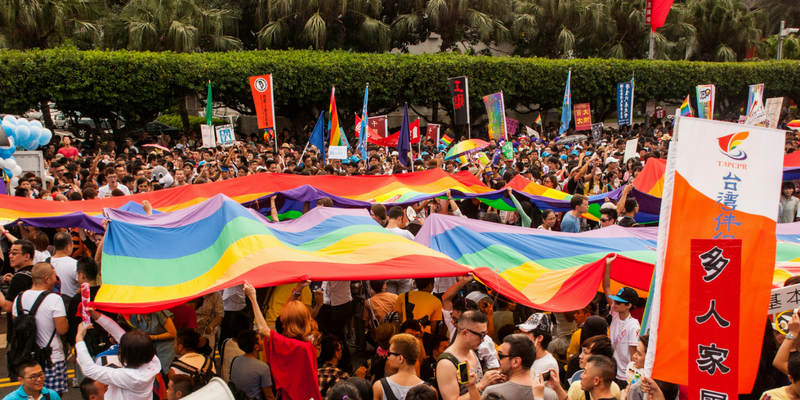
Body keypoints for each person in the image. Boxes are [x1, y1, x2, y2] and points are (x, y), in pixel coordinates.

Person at [243, 282, 321, 400]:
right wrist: (298, 290)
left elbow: (264, 330)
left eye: (284, 322)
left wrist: (253, 298)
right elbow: (293, 314)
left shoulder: (294, 345)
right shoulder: (306, 344)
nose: (282, 325)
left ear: (290, 324)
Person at [76, 308, 162, 400]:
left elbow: (89, 369)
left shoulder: (132, 377)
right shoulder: (151, 360)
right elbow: (119, 333)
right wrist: (96, 315)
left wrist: (79, 338)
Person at [11, 263, 69, 395]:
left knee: (32, 396)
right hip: (51, 357)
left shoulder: (18, 298)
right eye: (54, 276)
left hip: (27, 359)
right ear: (47, 279)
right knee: (52, 396)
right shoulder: (54, 299)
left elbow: (17, 326)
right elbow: (62, 329)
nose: (56, 280)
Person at [436, 311, 503, 400]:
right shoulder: (446, 363)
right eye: (481, 335)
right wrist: (481, 385)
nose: (483, 340)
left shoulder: (472, 351)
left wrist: (491, 381)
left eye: (485, 335)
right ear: (465, 333)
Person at [482, 334, 558, 400]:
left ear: (516, 362)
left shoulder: (492, 393)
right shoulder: (550, 395)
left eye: (501, 355)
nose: (498, 359)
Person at [603, 255, 641, 386]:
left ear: (629, 305)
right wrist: (608, 265)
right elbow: (606, 287)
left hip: (625, 377)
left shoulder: (633, 325)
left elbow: (633, 356)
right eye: (615, 300)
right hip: (612, 370)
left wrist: (632, 381)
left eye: (619, 302)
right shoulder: (615, 312)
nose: (615, 303)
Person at [372, 333, 424, 400]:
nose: (388, 357)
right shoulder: (430, 390)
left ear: (400, 358)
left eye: (390, 353)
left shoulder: (379, 387)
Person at [229, 329, 276, 400]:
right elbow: (269, 396)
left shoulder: (235, 360)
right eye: (260, 340)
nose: (262, 342)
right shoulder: (263, 367)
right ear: (256, 347)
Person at [517, 313, 558, 377]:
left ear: (539, 338)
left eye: (526, 333)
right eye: (521, 332)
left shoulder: (547, 364)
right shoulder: (527, 356)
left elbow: (526, 386)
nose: (521, 335)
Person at [50, 232, 79, 298]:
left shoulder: (45, 263)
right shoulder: (75, 264)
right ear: (68, 246)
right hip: (70, 302)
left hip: (51, 300)